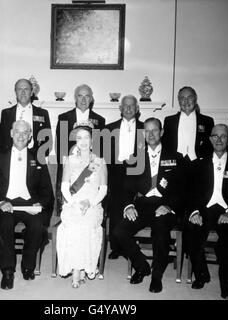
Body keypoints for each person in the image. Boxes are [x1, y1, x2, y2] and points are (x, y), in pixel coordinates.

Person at [113, 117, 184, 293]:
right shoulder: (135, 158)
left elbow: (182, 190)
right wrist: (129, 206)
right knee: (119, 231)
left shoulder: (176, 157)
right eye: (147, 131)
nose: (151, 134)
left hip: (164, 206)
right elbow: (127, 187)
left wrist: (168, 206)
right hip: (143, 205)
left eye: (154, 130)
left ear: (161, 132)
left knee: (160, 233)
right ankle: (142, 266)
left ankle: (157, 276)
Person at [0, 120, 54, 290]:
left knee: (38, 224)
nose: (21, 136)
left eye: (25, 133)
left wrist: (39, 204)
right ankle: (8, 271)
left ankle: (28, 266)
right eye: (17, 131)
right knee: (5, 223)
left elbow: (47, 190)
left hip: (29, 203)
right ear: (11, 133)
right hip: (6, 202)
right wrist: (1, 202)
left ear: (30, 136)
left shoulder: (38, 158)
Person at [186, 124, 228, 299]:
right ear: (210, 139)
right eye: (215, 136)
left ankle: (225, 283)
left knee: (226, 243)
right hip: (204, 208)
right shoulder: (198, 164)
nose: (219, 140)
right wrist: (194, 212)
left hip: (227, 211)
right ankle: (201, 274)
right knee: (191, 233)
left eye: (223, 136)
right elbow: (189, 192)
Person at [56, 120, 108, 288]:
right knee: (73, 225)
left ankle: (83, 269)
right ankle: (77, 270)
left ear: (92, 141)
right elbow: (64, 188)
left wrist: (90, 203)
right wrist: (74, 203)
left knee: (85, 224)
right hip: (73, 203)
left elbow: (103, 190)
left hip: (93, 204)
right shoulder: (69, 160)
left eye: (86, 137)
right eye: (79, 138)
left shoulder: (100, 161)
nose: (83, 141)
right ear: (75, 141)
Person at [55, 84, 105, 215]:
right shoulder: (63, 118)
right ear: (75, 98)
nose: (83, 99)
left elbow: (99, 149)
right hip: (70, 168)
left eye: (87, 96)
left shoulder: (100, 120)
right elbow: (61, 146)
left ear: (91, 99)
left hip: (91, 169)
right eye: (80, 96)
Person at [162, 86, 214, 210]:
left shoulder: (207, 121)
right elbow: (166, 145)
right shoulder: (169, 120)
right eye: (182, 98)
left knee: (195, 202)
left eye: (189, 97)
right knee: (176, 202)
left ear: (195, 99)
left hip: (198, 167)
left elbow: (209, 146)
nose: (186, 101)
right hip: (175, 167)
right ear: (178, 101)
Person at [105, 95, 144, 260]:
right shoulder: (108, 128)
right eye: (125, 106)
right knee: (115, 208)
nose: (128, 109)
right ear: (120, 109)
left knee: (136, 206)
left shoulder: (145, 128)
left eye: (131, 106)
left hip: (139, 171)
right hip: (116, 171)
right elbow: (104, 155)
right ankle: (116, 246)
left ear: (137, 109)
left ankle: (132, 242)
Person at [0, 79, 52, 157]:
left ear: (31, 93)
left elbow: (47, 141)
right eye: (20, 89)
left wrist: (34, 156)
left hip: (35, 158)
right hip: (11, 157)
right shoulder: (6, 113)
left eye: (26, 89)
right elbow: (3, 140)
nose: (23, 92)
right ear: (16, 92)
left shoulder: (42, 113)